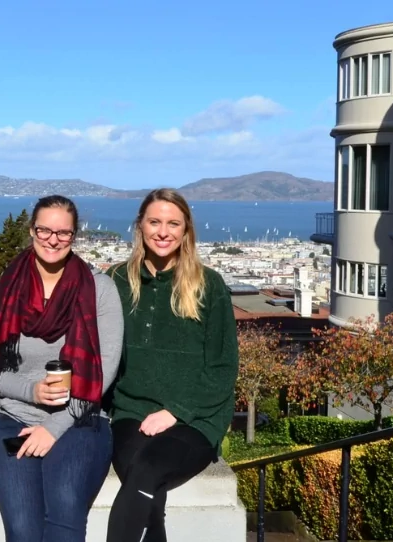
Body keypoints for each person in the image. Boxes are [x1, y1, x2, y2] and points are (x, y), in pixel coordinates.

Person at [0, 194, 124, 542]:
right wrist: (32, 391)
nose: (53, 240)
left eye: (63, 232)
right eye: (45, 230)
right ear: (32, 230)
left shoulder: (99, 290)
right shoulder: (3, 291)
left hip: (80, 419)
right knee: (23, 530)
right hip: (13, 418)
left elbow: (102, 375)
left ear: (74, 235)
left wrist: (53, 427)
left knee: (65, 517)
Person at [104, 188, 239, 542]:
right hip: (131, 411)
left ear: (186, 230)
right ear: (140, 226)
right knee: (141, 477)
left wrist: (175, 412)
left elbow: (223, 368)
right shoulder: (117, 281)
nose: (163, 232)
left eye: (173, 224)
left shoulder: (209, 285)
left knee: (147, 470)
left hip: (197, 417)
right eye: (154, 222)